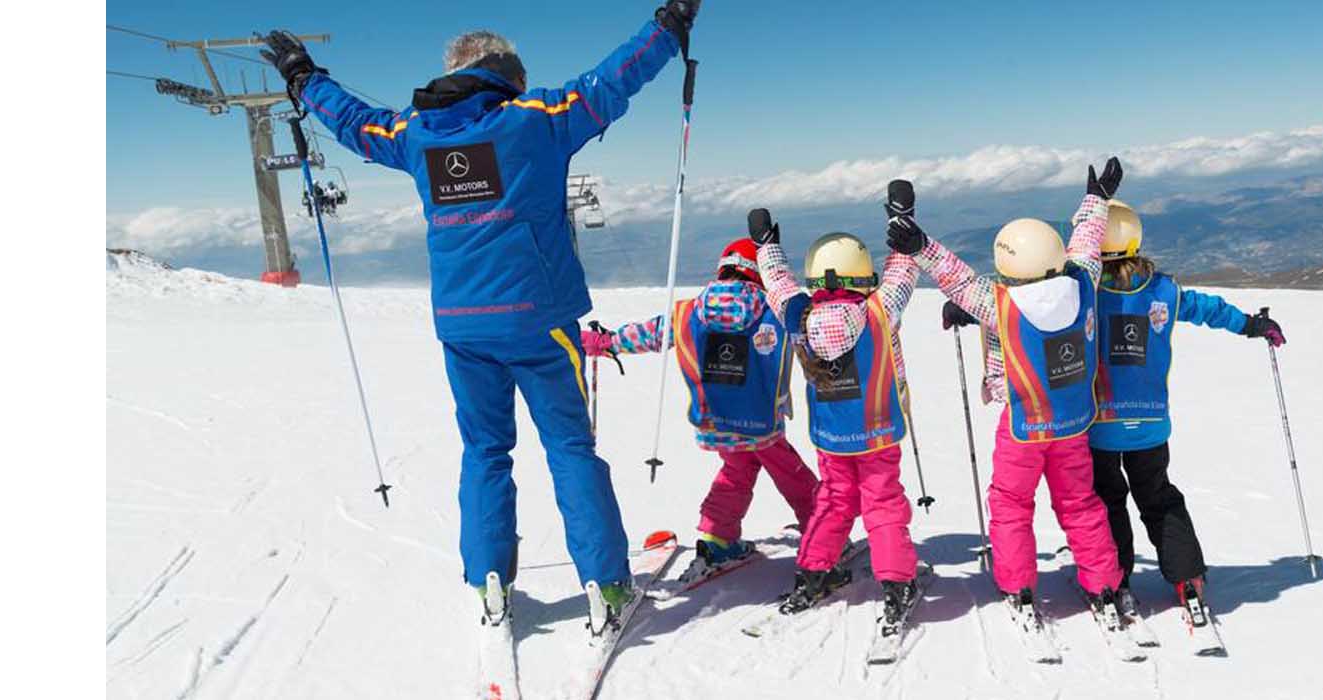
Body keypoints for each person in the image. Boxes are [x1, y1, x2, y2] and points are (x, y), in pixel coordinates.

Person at [257, 0, 701, 637]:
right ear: (505, 73)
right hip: (539, 321)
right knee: (570, 448)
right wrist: (668, 25)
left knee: (486, 450)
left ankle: (490, 579)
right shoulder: (535, 120)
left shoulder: (416, 133)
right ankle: (606, 584)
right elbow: (611, 80)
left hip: (462, 325)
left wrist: (303, 77)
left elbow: (354, 122)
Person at [894, 163, 1129, 626]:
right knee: (1080, 504)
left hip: (1022, 427)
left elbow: (959, 280)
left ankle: (1018, 586)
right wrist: (1096, 199)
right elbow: (1085, 243)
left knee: (1011, 504)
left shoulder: (1000, 304)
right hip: (1073, 425)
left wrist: (920, 247)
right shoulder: (1084, 282)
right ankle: (1104, 585)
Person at [1088, 199, 1285, 620]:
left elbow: (1033, 307)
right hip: (1151, 424)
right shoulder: (1164, 290)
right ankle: (1187, 577)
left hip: (1100, 424)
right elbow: (1207, 308)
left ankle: (1114, 578)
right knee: (1158, 498)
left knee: (1107, 500)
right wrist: (1252, 324)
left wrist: (972, 312)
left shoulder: (1084, 291)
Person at [581, 237, 820, 583]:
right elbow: (815, 331)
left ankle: (718, 537)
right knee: (789, 472)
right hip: (761, 423)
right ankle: (821, 529)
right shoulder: (775, 311)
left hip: (716, 421)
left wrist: (607, 343)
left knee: (737, 470)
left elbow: (651, 334)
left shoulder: (689, 312)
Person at [748, 205, 923, 629]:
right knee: (882, 503)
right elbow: (902, 273)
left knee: (834, 500)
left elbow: (778, 284)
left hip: (831, 438)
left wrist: (766, 247)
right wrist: (903, 217)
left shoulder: (797, 315)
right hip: (878, 433)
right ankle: (897, 583)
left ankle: (813, 573)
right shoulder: (879, 311)